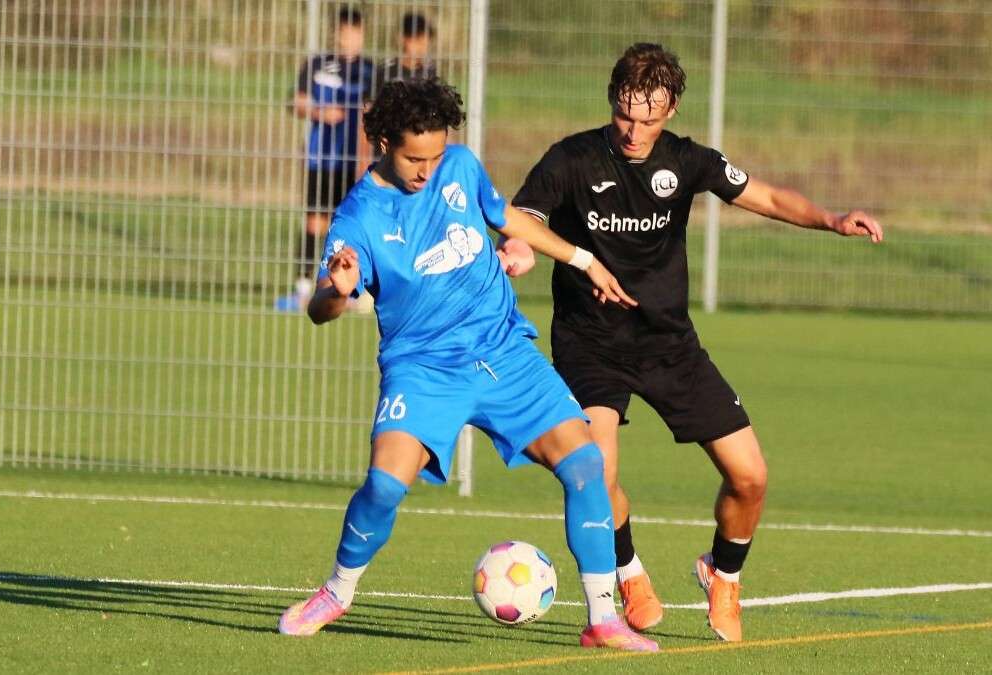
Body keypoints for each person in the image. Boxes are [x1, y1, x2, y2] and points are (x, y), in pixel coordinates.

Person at [510, 42, 883, 642]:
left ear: (672, 108)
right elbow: (520, 217)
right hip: (590, 341)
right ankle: (627, 571)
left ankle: (723, 574)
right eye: (626, 115)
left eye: (649, 118)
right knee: (594, 470)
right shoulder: (571, 158)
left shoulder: (687, 161)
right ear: (612, 100)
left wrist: (832, 220)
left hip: (668, 342)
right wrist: (524, 248)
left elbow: (765, 196)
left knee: (751, 476)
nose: (634, 130)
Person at [277, 77, 658, 652]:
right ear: (382, 141)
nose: (427, 169)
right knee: (383, 485)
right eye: (413, 157)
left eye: (434, 155)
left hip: (502, 351)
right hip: (423, 366)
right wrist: (338, 288)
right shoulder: (358, 215)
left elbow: (509, 219)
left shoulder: (460, 165)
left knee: (585, 466)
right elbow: (320, 311)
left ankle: (603, 619)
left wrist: (583, 259)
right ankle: (337, 591)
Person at [278, 6, 374, 312]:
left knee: (355, 225)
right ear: (336, 33)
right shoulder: (318, 64)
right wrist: (321, 112)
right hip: (322, 159)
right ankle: (303, 288)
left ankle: (357, 292)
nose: (349, 39)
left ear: (362, 35)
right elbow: (297, 101)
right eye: (344, 33)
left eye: (355, 34)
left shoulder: (370, 71)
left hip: (356, 164)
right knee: (314, 222)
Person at [374, 11, 437, 95]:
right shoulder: (385, 70)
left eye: (425, 44)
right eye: (417, 42)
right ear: (402, 39)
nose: (422, 48)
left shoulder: (431, 70)